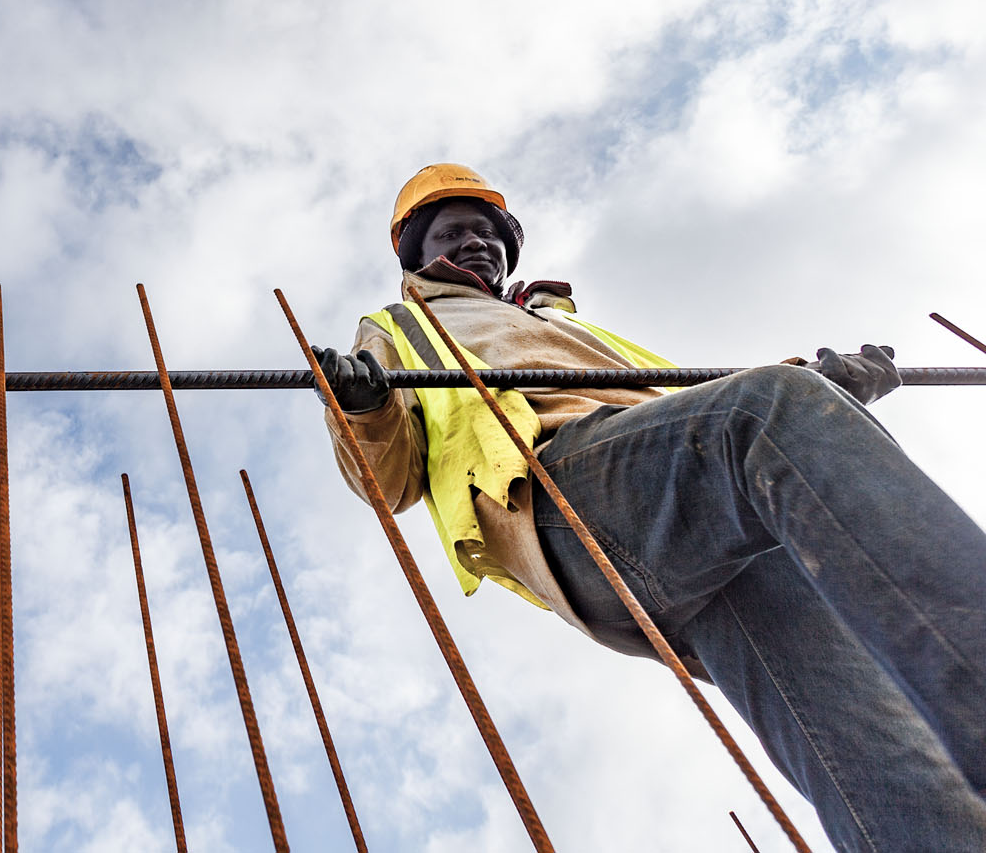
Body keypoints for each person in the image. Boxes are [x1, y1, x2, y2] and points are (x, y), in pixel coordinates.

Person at [314, 163, 986, 852]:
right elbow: (386, 483)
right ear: (417, 252)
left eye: (488, 232)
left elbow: (694, 406)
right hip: (556, 493)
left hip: (693, 506)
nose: (477, 243)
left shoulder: (558, 325)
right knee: (773, 407)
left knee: (874, 748)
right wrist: (362, 407)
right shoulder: (399, 325)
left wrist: (821, 391)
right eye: (454, 232)